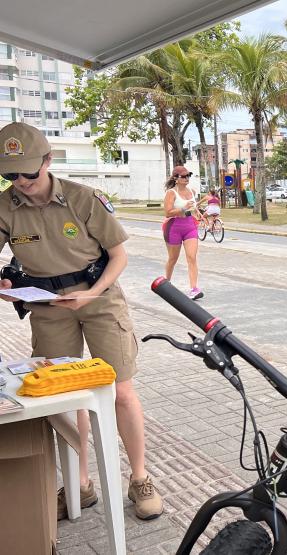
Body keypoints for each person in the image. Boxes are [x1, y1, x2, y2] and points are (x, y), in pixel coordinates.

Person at [0, 122, 164, 521]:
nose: (20, 181)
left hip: (98, 298)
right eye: (10, 174)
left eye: (28, 171)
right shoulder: (4, 206)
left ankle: (139, 478)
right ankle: (80, 484)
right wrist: (5, 287)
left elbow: (119, 256)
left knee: (120, 391)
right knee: (64, 395)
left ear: (48, 161)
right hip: (48, 306)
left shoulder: (83, 198)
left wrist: (92, 293)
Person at [162, 166, 204, 300]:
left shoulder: (192, 191)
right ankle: (166, 283)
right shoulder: (171, 193)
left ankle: (194, 289)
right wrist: (183, 208)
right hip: (174, 227)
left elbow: (193, 208)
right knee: (173, 259)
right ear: (176, 178)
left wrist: (198, 213)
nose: (187, 178)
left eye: (188, 175)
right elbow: (167, 212)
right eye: (183, 176)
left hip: (190, 226)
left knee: (192, 257)